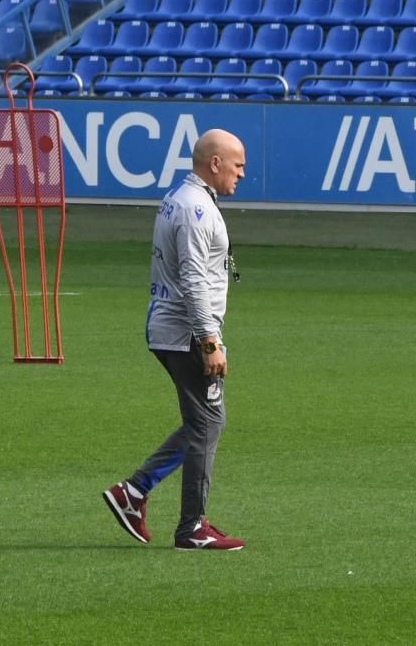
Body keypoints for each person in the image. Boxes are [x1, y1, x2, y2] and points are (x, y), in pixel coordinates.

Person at [103, 128, 246, 551]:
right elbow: (193, 279)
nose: (242, 173)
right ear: (215, 163)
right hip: (185, 332)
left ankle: (134, 492)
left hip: (173, 328)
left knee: (202, 423)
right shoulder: (194, 209)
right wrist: (209, 340)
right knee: (207, 424)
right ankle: (191, 528)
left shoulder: (184, 200)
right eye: (237, 164)